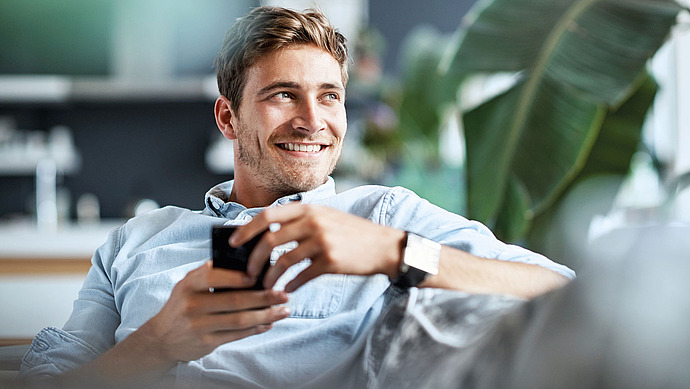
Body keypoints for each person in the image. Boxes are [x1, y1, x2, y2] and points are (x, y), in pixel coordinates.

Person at [19, 6, 574, 388]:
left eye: (329, 96)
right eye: (284, 95)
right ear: (227, 116)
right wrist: (160, 342)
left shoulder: (382, 217)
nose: (313, 121)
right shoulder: (134, 242)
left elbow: (560, 287)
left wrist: (396, 252)